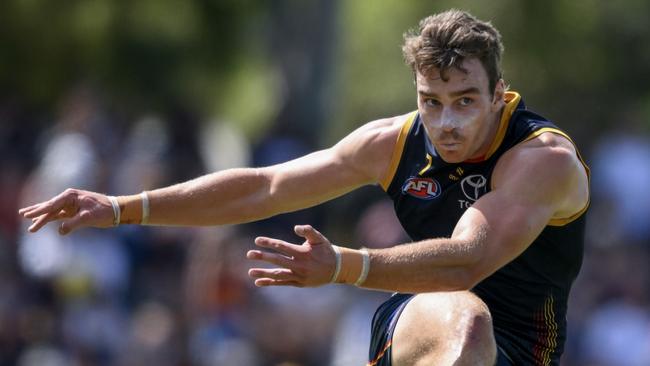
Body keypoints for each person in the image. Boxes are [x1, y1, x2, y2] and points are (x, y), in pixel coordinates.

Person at [19, 9, 590, 365]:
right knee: (466, 322)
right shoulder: (393, 142)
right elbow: (264, 188)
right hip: (426, 330)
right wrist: (122, 207)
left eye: (466, 101)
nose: (446, 123)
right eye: (431, 102)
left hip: (524, 350)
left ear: (499, 94)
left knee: (474, 321)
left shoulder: (543, 160)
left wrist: (343, 265)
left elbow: (466, 261)